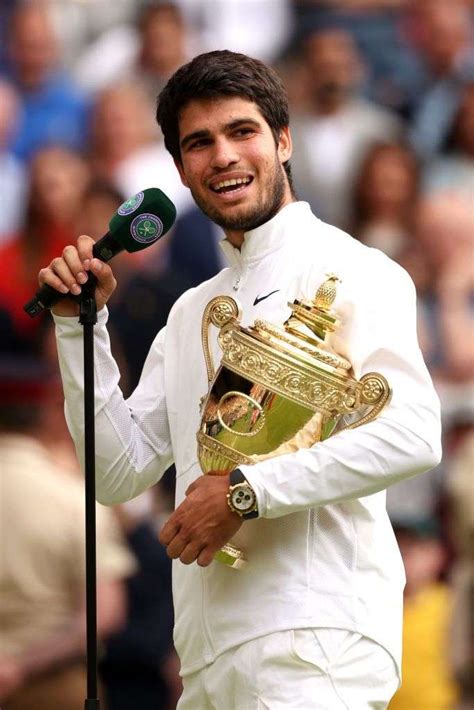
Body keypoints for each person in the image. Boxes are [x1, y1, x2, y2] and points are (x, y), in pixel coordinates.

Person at [38, 50, 441, 708]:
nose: (222, 155)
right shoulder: (190, 309)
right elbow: (117, 473)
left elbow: (415, 435)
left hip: (316, 638)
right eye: (200, 143)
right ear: (180, 169)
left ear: (283, 141)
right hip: (209, 654)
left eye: (241, 131)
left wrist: (245, 492)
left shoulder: (353, 269)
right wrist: (79, 329)